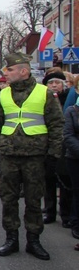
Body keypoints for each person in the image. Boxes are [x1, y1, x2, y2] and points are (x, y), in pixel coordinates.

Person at [0, 53, 63, 261]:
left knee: (33, 199)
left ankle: (34, 240)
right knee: (8, 198)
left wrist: (54, 155)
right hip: (9, 155)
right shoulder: (2, 95)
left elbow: (57, 125)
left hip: (35, 156)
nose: (6, 74)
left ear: (24, 71)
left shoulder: (44, 93)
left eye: (10, 70)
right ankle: (11, 238)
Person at [42, 69, 70, 226]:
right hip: (48, 144)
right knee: (49, 180)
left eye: (57, 83)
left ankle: (66, 215)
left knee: (65, 181)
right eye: (50, 83)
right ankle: (50, 211)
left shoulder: (69, 97)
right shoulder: (44, 98)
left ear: (63, 84)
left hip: (66, 144)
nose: (54, 85)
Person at [62, 96, 79, 243]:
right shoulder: (72, 111)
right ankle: (76, 223)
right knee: (77, 190)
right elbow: (67, 135)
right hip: (75, 157)